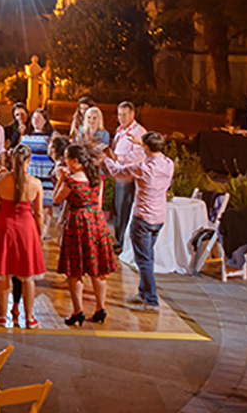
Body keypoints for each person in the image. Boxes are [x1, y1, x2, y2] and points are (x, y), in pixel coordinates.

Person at [100, 131, 174, 312]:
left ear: (147, 148)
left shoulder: (144, 168)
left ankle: (151, 300)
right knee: (147, 256)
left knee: (144, 260)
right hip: (159, 218)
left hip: (143, 218)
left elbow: (117, 171)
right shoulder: (168, 164)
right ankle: (143, 292)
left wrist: (106, 158)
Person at [0, 144, 46, 329]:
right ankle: (29, 317)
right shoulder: (35, 183)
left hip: (4, 226)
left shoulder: (2, 181)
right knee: (27, 275)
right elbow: (39, 213)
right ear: (28, 160)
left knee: (3, 274)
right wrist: (39, 233)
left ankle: (2, 315)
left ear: (11, 160)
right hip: (26, 229)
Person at [54, 142, 117, 326]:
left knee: (75, 271)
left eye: (66, 159)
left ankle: (78, 311)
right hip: (97, 222)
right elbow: (98, 203)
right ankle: (100, 308)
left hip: (78, 224)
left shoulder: (72, 181)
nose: (65, 162)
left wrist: (60, 179)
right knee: (98, 270)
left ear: (74, 161)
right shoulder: (97, 177)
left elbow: (57, 198)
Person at [110, 101, 147, 250]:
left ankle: (123, 243)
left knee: (124, 208)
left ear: (132, 114)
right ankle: (119, 239)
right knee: (118, 208)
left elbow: (139, 153)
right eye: (119, 114)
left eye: (125, 114)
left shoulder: (139, 132)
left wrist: (119, 158)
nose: (122, 118)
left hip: (129, 176)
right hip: (119, 175)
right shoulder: (120, 130)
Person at [22, 109, 55, 236]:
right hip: (31, 170)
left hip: (46, 170)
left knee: (46, 202)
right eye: (34, 118)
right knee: (30, 201)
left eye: (39, 119)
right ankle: (31, 227)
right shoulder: (26, 135)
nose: (36, 121)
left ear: (45, 121)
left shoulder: (50, 137)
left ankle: (45, 231)